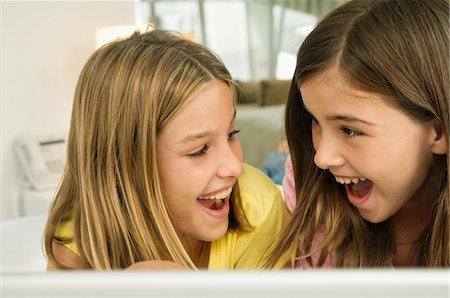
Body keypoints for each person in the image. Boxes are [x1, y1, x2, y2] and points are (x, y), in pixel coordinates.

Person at [43, 28, 287, 270]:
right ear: (122, 166)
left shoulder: (258, 209)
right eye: (199, 149)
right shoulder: (79, 237)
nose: (235, 166)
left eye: (232, 134)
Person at [264, 0, 449, 268]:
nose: (322, 158)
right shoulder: (310, 187)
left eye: (350, 130)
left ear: (439, 131)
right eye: (314, 120)